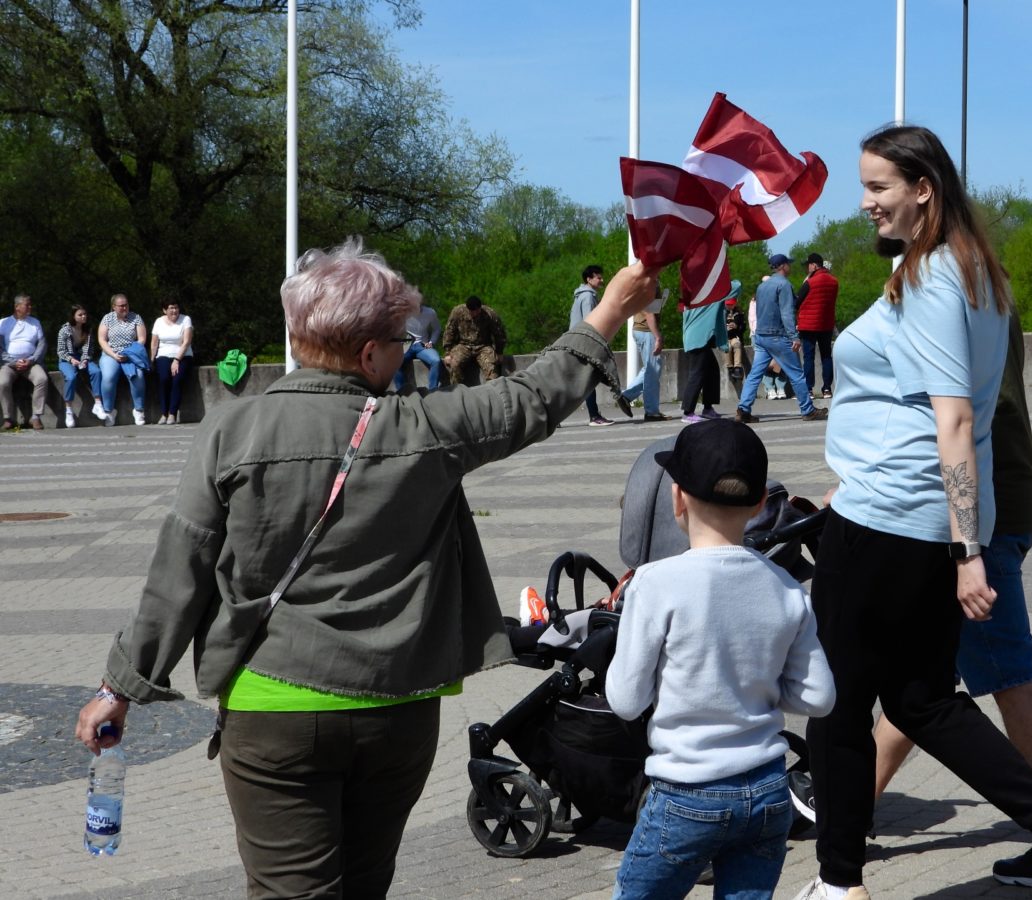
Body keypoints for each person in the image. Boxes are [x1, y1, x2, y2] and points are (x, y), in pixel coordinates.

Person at [74, 236, 659, 900]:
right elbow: (534, 395)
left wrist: (118, 688)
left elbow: (179, 570)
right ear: (369, 354)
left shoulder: (231, 430)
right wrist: (610, 309)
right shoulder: (425, 427)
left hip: (272, 710)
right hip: (396, 711)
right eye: (401, 340)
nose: (407, 351)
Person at [795, 125, 1032, 900]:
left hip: (887, 520)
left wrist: (968, 549)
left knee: (835, 704)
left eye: (878, 186)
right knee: (922, 700)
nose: (866, 202)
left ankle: (839, 886)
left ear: (924, 189)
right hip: (900, 512)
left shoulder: (936, 278)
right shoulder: (973, 270)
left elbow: (955, 419)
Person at [872, 312, 1032, 890]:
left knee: (1010, 676)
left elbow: (950, 415)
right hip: (994, 503)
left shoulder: (949, 295)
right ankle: (846, 804)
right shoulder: (987, 287)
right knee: (921, 674)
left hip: (973, 515)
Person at [607, 418, 835, 900]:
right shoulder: (787, 589)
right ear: (759, 503)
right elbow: (819, 697)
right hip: (768, 790)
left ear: (677, 498)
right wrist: (760, 684)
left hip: (686, 792)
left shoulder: (654, 583)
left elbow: (626, 700)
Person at [734, 254, 828, 425]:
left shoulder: (762, 286)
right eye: (788, 264)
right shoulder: (783, 284)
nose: (790, 267)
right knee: (797, 374)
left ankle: (743, 410)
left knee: (755, 374)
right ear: (783, 266)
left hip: (761, 336)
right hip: (777, 336)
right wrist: (794, 336)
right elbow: (787, 312)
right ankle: (808, 410)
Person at [679, 282, 736, 424]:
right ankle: (688, 412)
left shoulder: (693, 296)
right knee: (697, 374)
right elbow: (736, 286)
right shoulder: (711, 295)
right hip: (699, 339)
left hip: (696, 338)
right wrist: (719, 275)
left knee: (712, 371)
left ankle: (708, 408)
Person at [621, 281, 671, 421]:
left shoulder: (645, 283)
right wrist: (657, 336)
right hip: (646, 331)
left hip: (641, 330)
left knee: (649, 368)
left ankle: (626, 397)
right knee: (653, 371)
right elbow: (649, 313)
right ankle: (651, 412)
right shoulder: (649, 284)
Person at [97, 293, 148, 426]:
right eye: (121, 306)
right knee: (108, 377)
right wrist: (114, 355)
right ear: (114, 306)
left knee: (138, 376)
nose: (124, 308)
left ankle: (139, 410)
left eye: (126, 305)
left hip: (131, 353)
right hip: (111, 353)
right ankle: (109, 410)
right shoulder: (107, 318)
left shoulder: (136, 318)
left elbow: (142, 339)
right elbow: (102, 340)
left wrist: (129, 352)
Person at [572, 265, 613, 426]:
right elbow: (591, 322)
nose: (602, 280)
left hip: (578, 341)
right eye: (598, 277)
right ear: (589, 279)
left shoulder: (583, 295)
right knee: (588, 379)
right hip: (584, 342)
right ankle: (594, 416)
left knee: (582, 380)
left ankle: (553, 416)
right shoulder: (588, 297)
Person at [0, 294, 48, 431]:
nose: (30, 307)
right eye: (27, 305)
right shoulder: (3, 323)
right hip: (9, 364)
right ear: (17, 307)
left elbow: (42, 344)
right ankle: (8, 418)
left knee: (42, 379)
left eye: (30, 304)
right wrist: (13, 362)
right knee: (2, 382)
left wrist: (31, 360)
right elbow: (0, 348)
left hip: (31, 362)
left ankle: (35, 417)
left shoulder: (35, 322)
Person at [794, 253, 838, 399]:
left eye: (808, 265)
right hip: (826, 324)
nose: (807, 268)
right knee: (826, 356)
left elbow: (797, 302)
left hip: (809, 325)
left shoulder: (810, 282)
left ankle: (809, 389)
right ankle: (827, 389)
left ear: (814, 265)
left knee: (808, 357)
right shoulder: (834, 281)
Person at [442, 295, 507, 386]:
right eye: (472, 311)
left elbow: (499, 333)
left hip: (483, 346)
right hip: (464, 345)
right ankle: (458, 389)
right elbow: (449, 332)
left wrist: (499, 352)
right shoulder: (458, 312)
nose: (475, 313)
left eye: (477, 311)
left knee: (492, 368)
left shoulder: (489, 314)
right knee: (454, 364)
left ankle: (493, 390)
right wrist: (448, 353)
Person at [56, 304, 104, 428]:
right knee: (71, 377)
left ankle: (98, 403)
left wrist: (85, 359)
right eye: (80, 315)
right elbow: (60, 351)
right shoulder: (64, 330)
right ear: (73, 316)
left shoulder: (87, 330)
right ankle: (68, 410)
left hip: (82, 358)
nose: (84, 317)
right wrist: (71, 359)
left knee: (96, 372)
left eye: (85, 314)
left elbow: (90, 349)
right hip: (66, 359)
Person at [150, 299, 195, 425]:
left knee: (177, 379)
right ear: (165, 310)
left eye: (176, 308)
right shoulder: (159, 321)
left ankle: (172, 413)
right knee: (163, 379)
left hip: (183, 355)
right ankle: (164, 413)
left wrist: (176, 360)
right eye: (171, 308)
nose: (174, 311)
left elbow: (186, 342)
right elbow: (154, 343)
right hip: (163, 355)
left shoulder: (186, 319)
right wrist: (152, 359)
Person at [391, 302, 443, 392]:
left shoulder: (430, 312)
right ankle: (402, 392)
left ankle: (433, 391)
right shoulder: (403, 313)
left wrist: (431, 342)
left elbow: (437, 328)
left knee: (436, 361)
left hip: (422, 346)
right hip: (406, 345)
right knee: (394, 362)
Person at [724, 293, 747, 380]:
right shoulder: (722, 313)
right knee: (728, 347)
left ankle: (737, 368)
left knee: (737, 344)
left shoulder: (739, 314)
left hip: (735, 336)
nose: (729, 306)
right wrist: (725, 327)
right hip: (725, 338)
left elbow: (743, 328)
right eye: (728, 304)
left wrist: (737, 326)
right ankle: (730, 368)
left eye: (731, 304)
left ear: (735, 304)